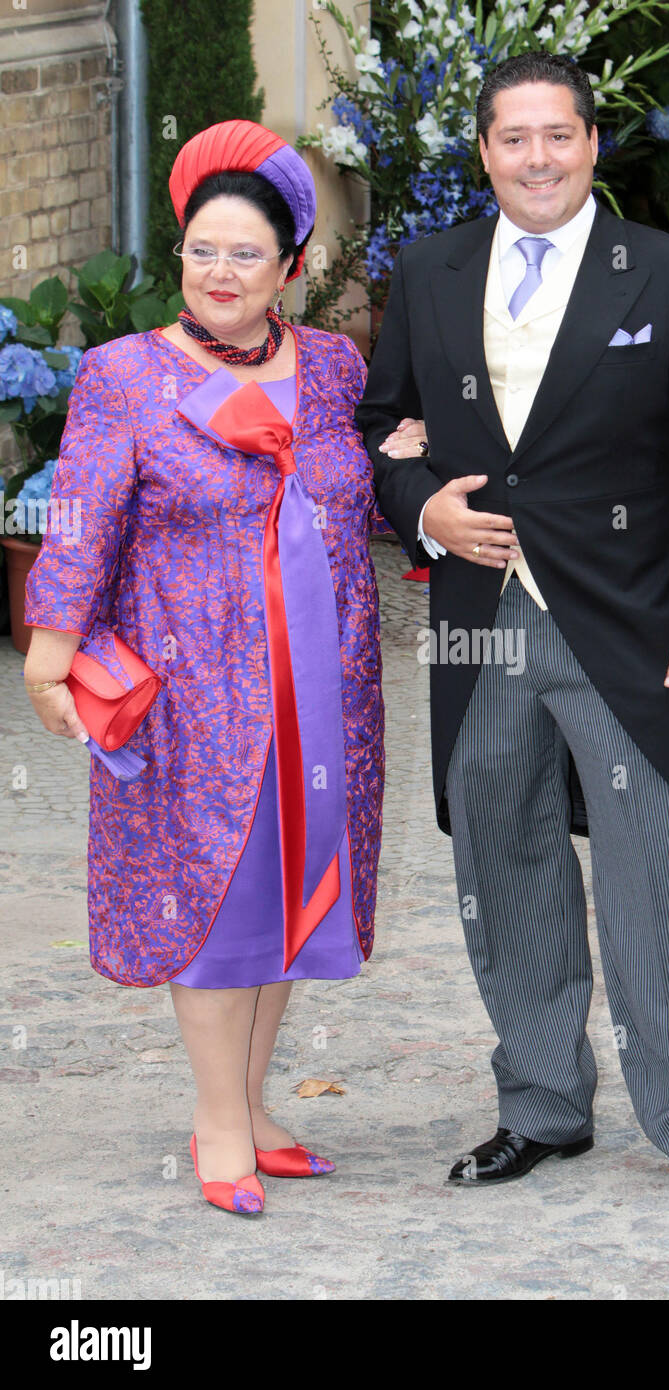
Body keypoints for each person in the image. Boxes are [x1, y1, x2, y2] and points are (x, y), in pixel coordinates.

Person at [360, 53, 669, 1209]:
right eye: (514, 138)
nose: (538, 158)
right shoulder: (428, 272)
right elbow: (379, 424)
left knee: (654, 871)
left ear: (593, 145)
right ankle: (541, 1105)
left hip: (623, 622)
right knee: (506, 857)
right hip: (479, 621)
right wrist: (423, 509)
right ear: (483, 151)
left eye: (559, 136)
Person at [22, 119, 422, 1216]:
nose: (220, 273)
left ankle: (252, 1103)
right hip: (194, 685)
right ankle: (215, 1126)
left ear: (291, 265)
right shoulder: (124, 376)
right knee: (213, 896)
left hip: (324, 679)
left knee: (292, 892)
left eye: (246, 253)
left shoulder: (334, 366)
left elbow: (365, 486)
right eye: (203, 250)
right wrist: (49, 652)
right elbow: (78, 520)